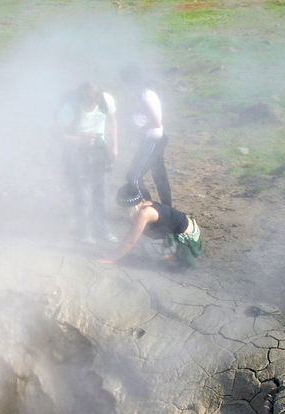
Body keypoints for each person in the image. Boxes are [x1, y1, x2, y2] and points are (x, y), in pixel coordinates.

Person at [55, 82, 118, 245]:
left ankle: (102, 229)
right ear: (80, 99)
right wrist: (80, 140)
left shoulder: (106, 101)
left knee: (101, 193)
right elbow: (59, 134)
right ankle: (84, 232)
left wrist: (114, 145)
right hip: (77, 151)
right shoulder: (70, 108)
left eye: (93, 104)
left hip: (100, 148)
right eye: (87, 105)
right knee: (82, 195)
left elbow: (112, 120)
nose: (90, 107)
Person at [98, 183, 202, 267]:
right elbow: (131, 233)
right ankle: (174, 251)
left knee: (147, 251)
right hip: (184, 232)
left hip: (187, 240)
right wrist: (116, 252)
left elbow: (130, 241)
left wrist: (113, 258)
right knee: (147, 243)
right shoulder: (145, 203)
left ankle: (183, 256)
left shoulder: (145, 213)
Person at [120, 65, 172, 207]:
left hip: (152, 142)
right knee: (160, 177)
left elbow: (156, 121)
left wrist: (137, 134)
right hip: (155, 141)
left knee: (133, 177)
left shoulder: (145, 95)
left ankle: (149, 208)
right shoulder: (148, 93)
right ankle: (167, 209)